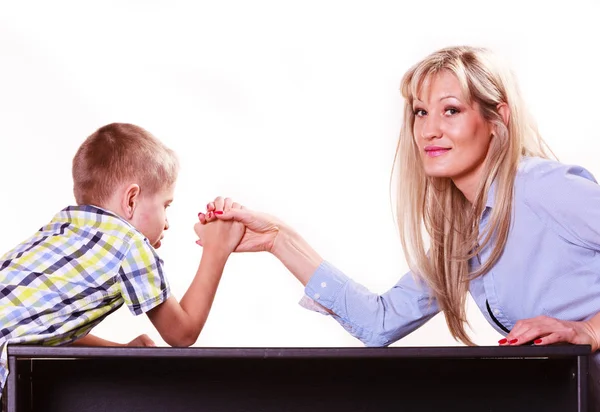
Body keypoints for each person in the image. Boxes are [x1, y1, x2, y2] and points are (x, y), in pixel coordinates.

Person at [197, 46, 600, 407]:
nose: (429, 130)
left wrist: (589, 329)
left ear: (497, 119)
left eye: (451, 110)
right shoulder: (463, 232)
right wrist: (278, 240)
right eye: (420, 112)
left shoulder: (541, 186)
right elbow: (380, 322)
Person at [0, 123, 244, 397]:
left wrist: (118, 350)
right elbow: (182, 334)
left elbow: (45, 327)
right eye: (166, 205)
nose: (167, 223)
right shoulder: (129, 244)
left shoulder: (65, 226)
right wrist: (217, 249)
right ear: (131, 200)